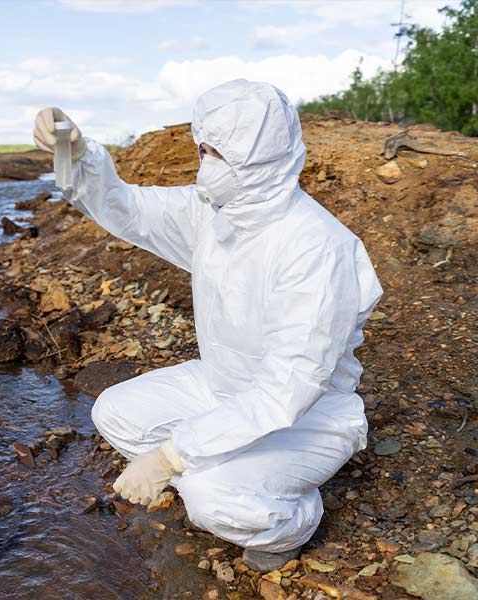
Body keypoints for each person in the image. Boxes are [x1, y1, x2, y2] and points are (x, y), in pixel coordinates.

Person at [32, 79, 382, 571]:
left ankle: (291, 520)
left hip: (310, 416)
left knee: (210, 495)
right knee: (114, 412)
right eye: (203, 149)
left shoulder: (317, 249)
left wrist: (170, 458)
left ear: (260, 160)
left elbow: (284, 391)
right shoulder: (216, 214)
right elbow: (128, 208)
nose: (205, 165)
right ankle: (229, 467)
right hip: (220, 386)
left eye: (217, 153)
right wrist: (77, 149)